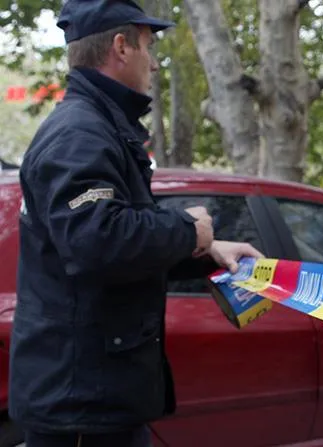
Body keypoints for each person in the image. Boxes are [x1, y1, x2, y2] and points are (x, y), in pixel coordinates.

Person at [9, 1, 263, 446]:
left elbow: (120, 245)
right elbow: (97, 241)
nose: (155, 62)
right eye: (149, 46)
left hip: (96, 395)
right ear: (121, 47)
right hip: (82, 406)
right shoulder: (80, 134)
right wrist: (188, 230)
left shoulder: (99, 126)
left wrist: (206, 251)